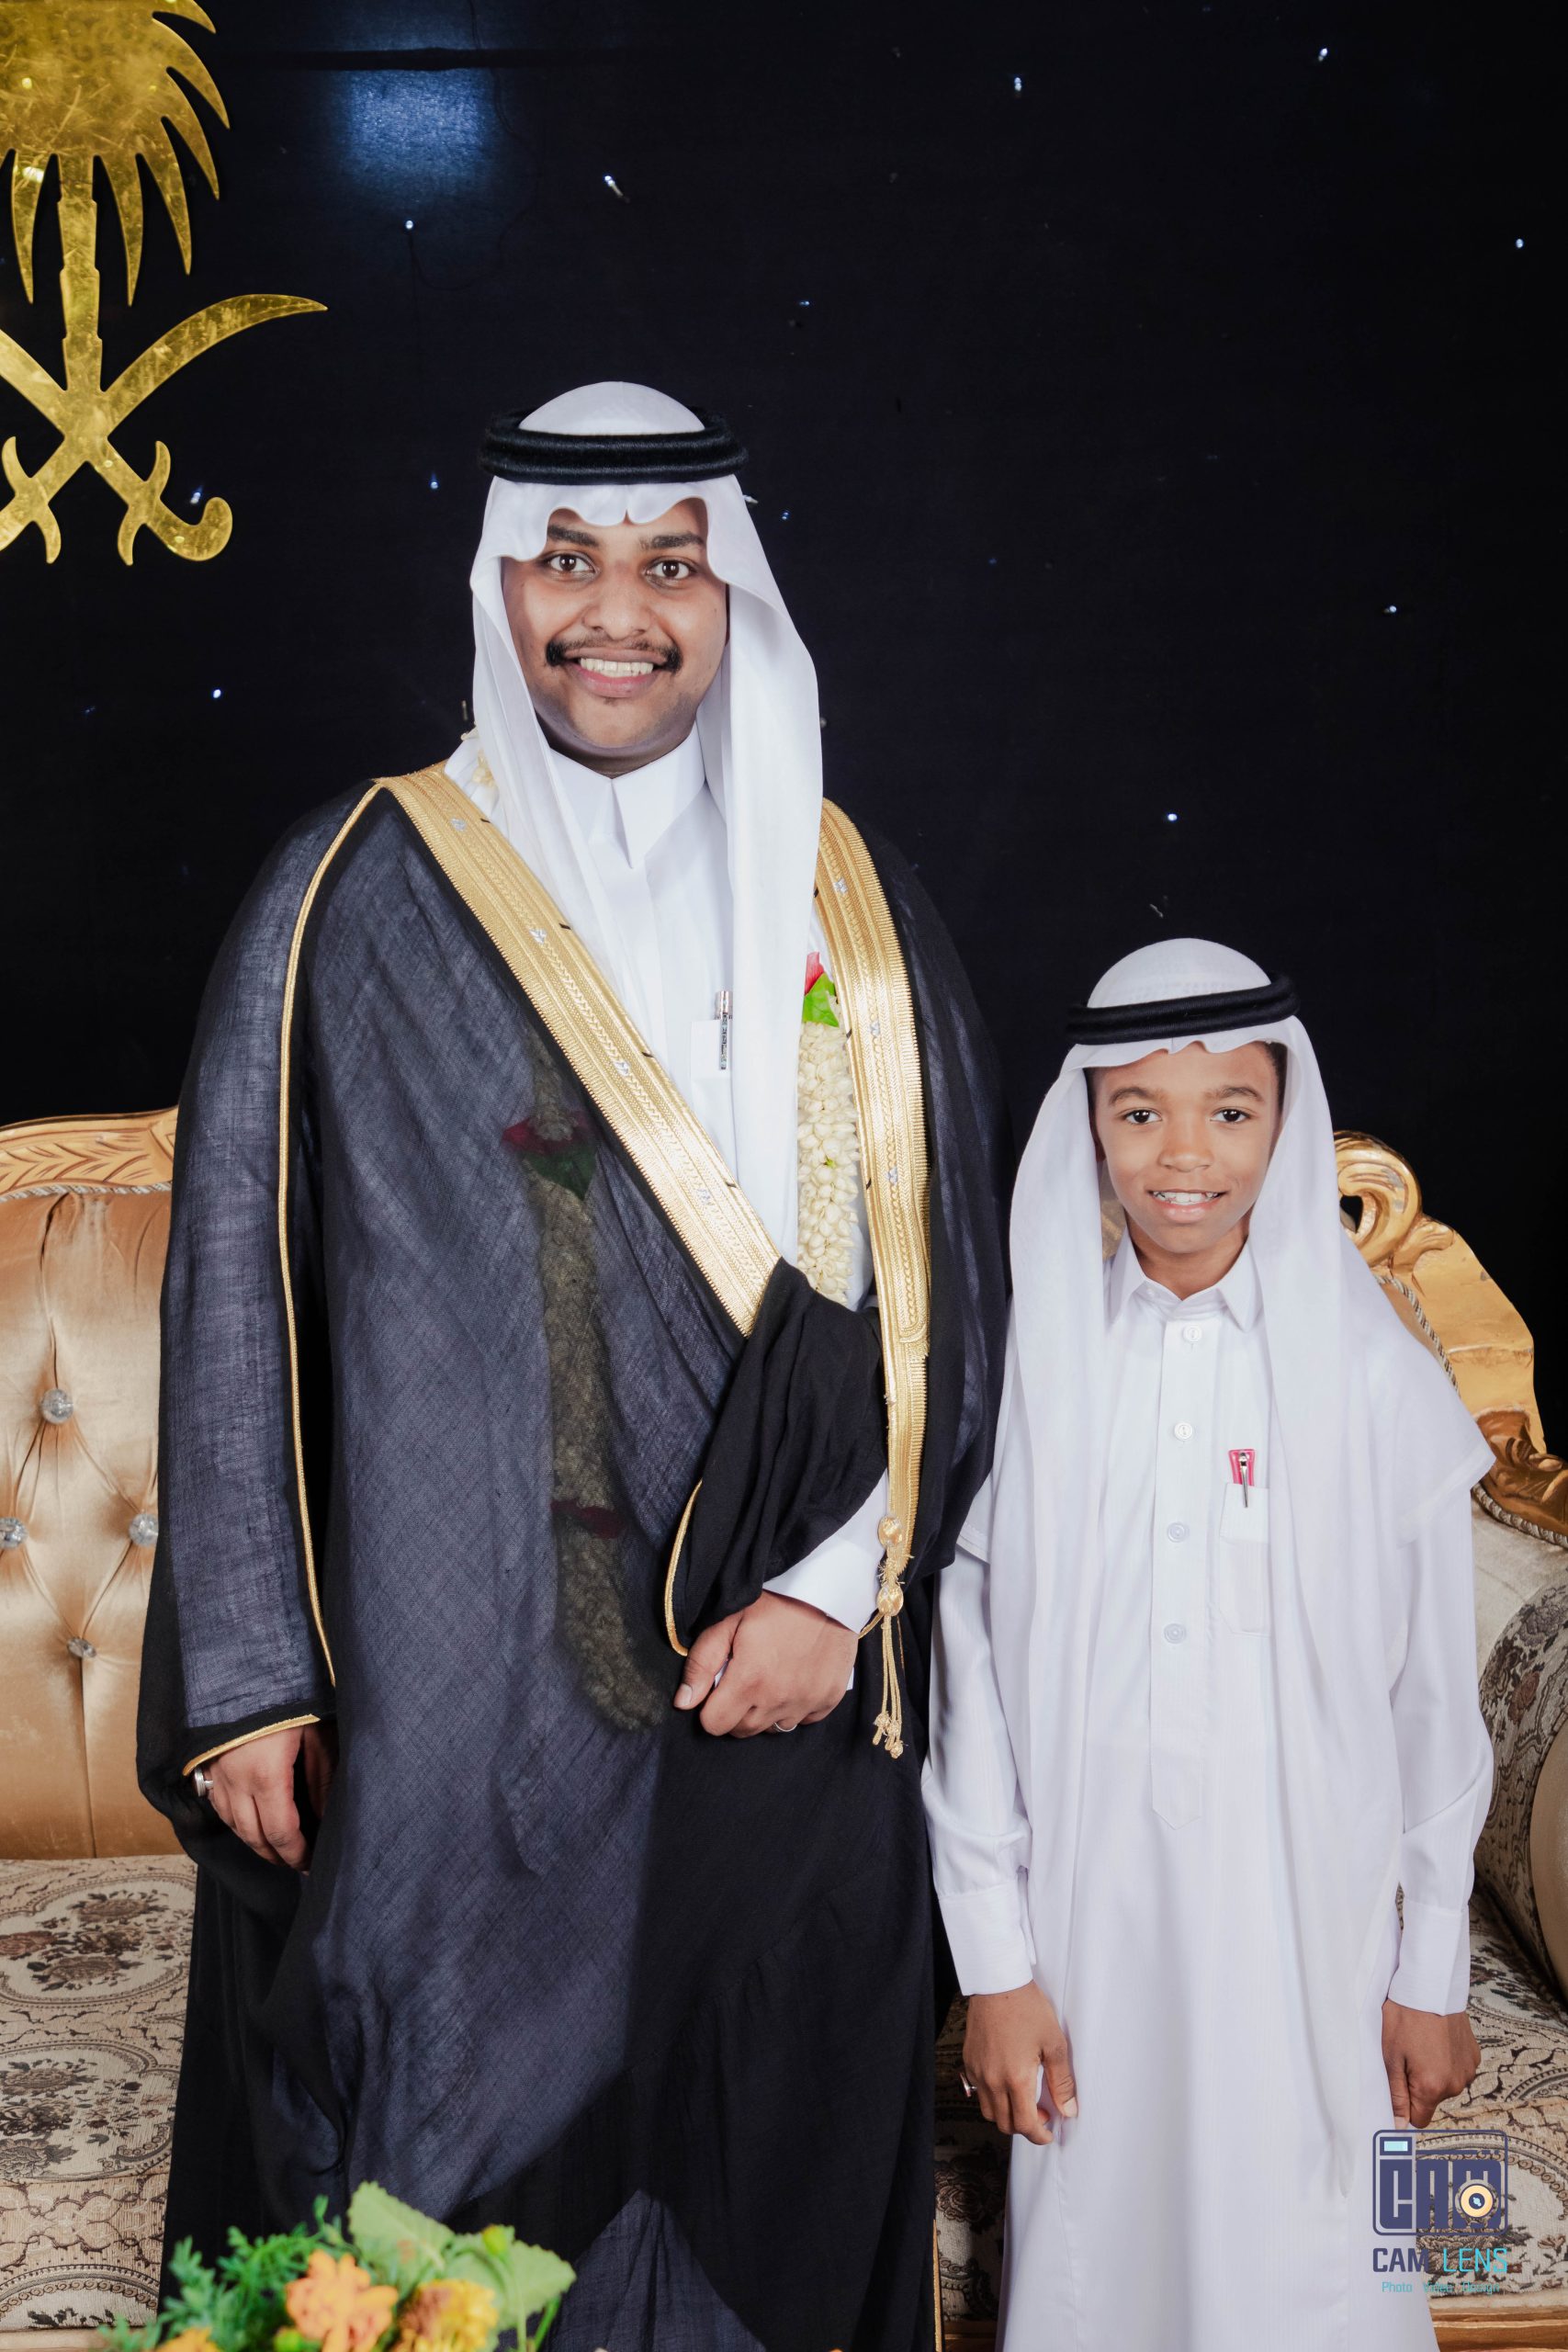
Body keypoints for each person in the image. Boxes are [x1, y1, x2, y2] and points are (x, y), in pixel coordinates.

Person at [138, 383, 1010, 2352]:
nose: (617, 610)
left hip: (772, 1688)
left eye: (668, 565)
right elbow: (235, 1290)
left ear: (730, 596)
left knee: (761, 2164)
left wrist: (829, 1593)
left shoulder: (848, 906)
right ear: (499, 588)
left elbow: (939, 1286)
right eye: (567, 560)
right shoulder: (352, 888)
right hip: (454, 1708)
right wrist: (256, 1676)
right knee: (431, 2187)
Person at [921, 937, 1494, 2350]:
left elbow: (1437, 1705)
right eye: (1141, 1112)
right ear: (1089, 1124)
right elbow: (971, 1689)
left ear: (1284, 1122)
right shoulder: (1036, 1373)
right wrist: (995, 1965)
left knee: (1341, 2266)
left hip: (1321, 1939)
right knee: (1102, 2268)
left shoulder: (1374, 1381)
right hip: (1091, 1934)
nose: (1186, 1154)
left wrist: (1430, 1974)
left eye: (1230, 1111)